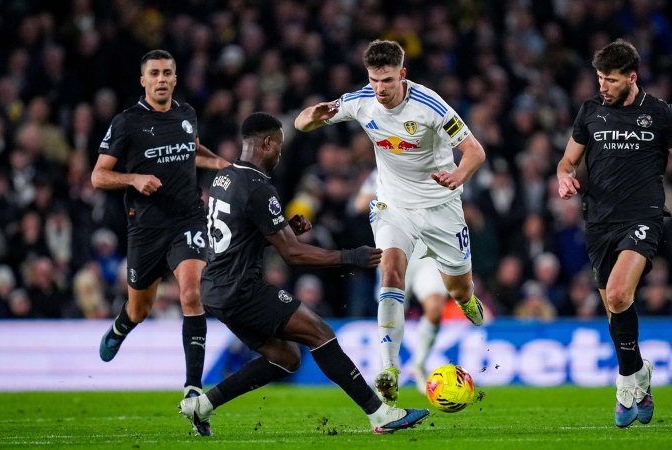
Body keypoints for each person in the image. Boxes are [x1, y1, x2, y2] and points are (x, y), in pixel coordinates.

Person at [179, 112, 429, 436]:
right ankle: (380, 414)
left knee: (286, 357)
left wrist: (282, 229)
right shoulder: (259, 187)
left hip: (215, 289)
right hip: (241, 289)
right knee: (320, 333)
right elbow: (293, 254)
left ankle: (202, 405)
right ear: (267, 143)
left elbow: (239, 235)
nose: (280, 153)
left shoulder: (225, 177)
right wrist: (351, 256)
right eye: (279, 145)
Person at [294, 39, 487, 404]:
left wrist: (457, 176)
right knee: (391, 271)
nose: (379, 88)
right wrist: (311, 116)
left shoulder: (430, 105)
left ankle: (467, 299)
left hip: (441, 206)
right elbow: (302, 123)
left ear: (402, 74)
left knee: (459, 290)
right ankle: (389, 369)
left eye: (386, 80)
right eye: (373, 80)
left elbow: (475, 151)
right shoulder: (361, 100)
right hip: (394, 204)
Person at [557, 39, 672, 428]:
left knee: (620, 294)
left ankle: (625, 381)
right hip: (598, 222)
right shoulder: (590, 111)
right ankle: (640, 372)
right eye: (600, 78)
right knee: (614, 311)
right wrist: (564, 178)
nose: (602, 86)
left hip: (642, 218)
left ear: (632, 78)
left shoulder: (659, 114)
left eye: (610, 79)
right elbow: (567, 161)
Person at [91, 50, 229, 399]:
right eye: (154, 73)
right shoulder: (127, 122)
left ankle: (193, 388)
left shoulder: (187, 114)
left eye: (167, 72)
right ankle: (121, 327)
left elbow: (193, 150)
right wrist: (134, 178)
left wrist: (224, 165)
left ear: (175, 79)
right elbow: (98, 176)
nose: (161, 79)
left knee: (192, 293)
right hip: (147, 227)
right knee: (140, 310)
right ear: (144, 80)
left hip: (188, 219)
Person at [354, 169, 449, 394]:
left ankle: (419, 363)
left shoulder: (438, 167)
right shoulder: (383, 170)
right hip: (395, 247)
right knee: (392, 311)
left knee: (435, 309)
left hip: (427, 251)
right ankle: (387, 369)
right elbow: (360, 204)